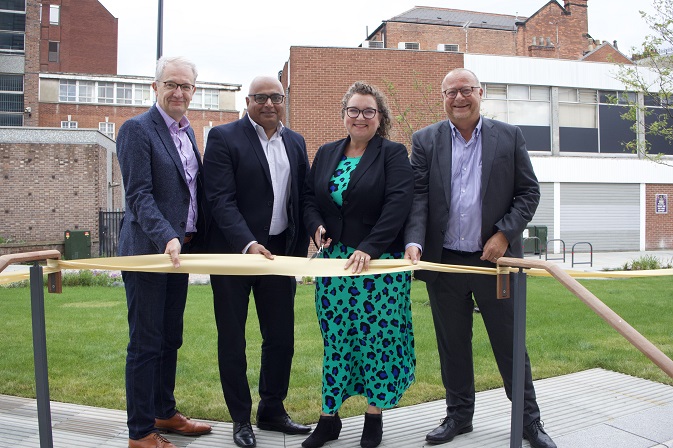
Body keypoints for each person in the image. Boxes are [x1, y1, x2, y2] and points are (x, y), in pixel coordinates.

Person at [404, 68, 556, 448]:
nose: (459, 98)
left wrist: (504, 234)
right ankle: (458, 416)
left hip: (497, 264)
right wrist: (415, 243)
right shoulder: (424, 140)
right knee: (453, 345)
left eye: (466, 90)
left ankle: (528, 422)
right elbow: (418, 199)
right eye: (450, 91)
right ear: (442, 97)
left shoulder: (509, 136)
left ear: (480, 92)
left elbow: (528, 192)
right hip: (445, 263)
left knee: (509, 343)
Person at [302, 81, 416, 448]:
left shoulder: (393, 154)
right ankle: (329, 417)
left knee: (377, 341)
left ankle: (373, 416)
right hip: (335, 266)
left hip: (378, 266)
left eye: (369, 111)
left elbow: (398, 205)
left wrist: (369, 247)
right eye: (354, 110)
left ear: (379, 117)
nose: (360, 117)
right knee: (336, 339)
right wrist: (316, 227)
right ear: (344, 114)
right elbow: (308, 198)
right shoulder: (327, 152)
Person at [203, 75, 311, 448]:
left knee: (281, 337)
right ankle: (240, 419)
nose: (269, 104)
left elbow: (304, 196)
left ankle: (272, 409)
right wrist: (247, 243)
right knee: (233, 339)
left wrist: (314, 231)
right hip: (235, 255)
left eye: (276, 98)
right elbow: (219, 200)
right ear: (247, 101)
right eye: (260, 97)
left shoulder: (295, 142)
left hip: (280, 253)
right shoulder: (223, 137)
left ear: (284, 101)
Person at [116, 55, 212, 448]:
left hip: (180, 255)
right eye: (170, 84)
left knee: (171, 337)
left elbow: (191, 194)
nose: (178, 92)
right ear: (155, 88)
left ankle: (164, 412)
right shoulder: (137, 130)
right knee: (145, 343)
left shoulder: (188, 132)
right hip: (150, 253)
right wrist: (167, 236)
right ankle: (140, 433)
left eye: (185, 86)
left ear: (193, 91)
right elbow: (138, 194)